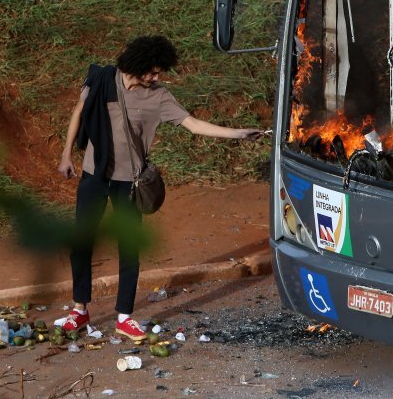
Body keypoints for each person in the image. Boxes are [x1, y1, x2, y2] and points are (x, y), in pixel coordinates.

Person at [57, 35, 262, 339]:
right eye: (153, 72)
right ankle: (80, 310)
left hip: (129, 182)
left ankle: (124, 316)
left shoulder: (159, 97)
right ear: (137, 66)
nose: (157, 77)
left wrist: (239, 134)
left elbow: (193, 124)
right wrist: (65, 155)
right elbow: (78, 112)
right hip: (93, 175)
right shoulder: (102, 79)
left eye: (159, 72)